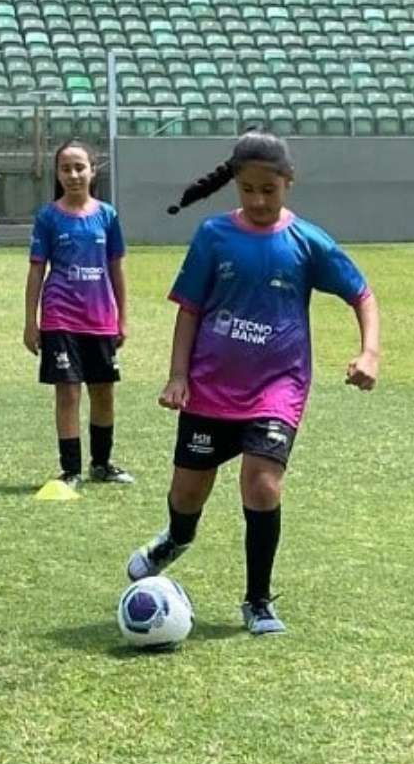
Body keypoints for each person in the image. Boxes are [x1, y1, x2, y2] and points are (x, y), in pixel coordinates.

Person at [127, 132, 379, 634]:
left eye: (269, 189)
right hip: (210, 387)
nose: (259, 200)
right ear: (235, 186)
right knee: (187, 495)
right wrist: (178, 375)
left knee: (261, 483)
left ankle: (258, 600)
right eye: (248, 190)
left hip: (278, 388)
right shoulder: (213, 237)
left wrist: (369, 351)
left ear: (288, 183)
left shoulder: (308, 242)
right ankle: (176, 538)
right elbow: (190, 310)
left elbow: (363, 294)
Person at [24, 139, 132, 490]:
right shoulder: (48, 218)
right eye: (66, 168)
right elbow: (37, 271)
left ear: (92, 170)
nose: (73, 175)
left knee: (103, 392)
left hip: (99, 318)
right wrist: (31, 321)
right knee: (68, 393)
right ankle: (70, 470)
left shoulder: (107, 216)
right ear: (57, 174)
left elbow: (116, 268)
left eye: (79, 167)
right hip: (60, 318)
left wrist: (122, 317)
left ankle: (101, 464)